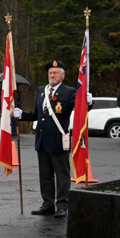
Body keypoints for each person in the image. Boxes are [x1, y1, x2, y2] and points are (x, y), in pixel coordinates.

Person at [13, 60, 92, 219]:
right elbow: (37, 114)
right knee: (45, 174)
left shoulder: (69, 92)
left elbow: (80, 106)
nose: (52, 75)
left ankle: (62, 205)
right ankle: (47, 204)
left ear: (63, 75)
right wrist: (22, 115)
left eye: (55, 72)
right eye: (50, 73)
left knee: (62, 175)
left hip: (58, 140)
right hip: (42, 140)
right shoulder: (42, 90)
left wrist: (89, 102)